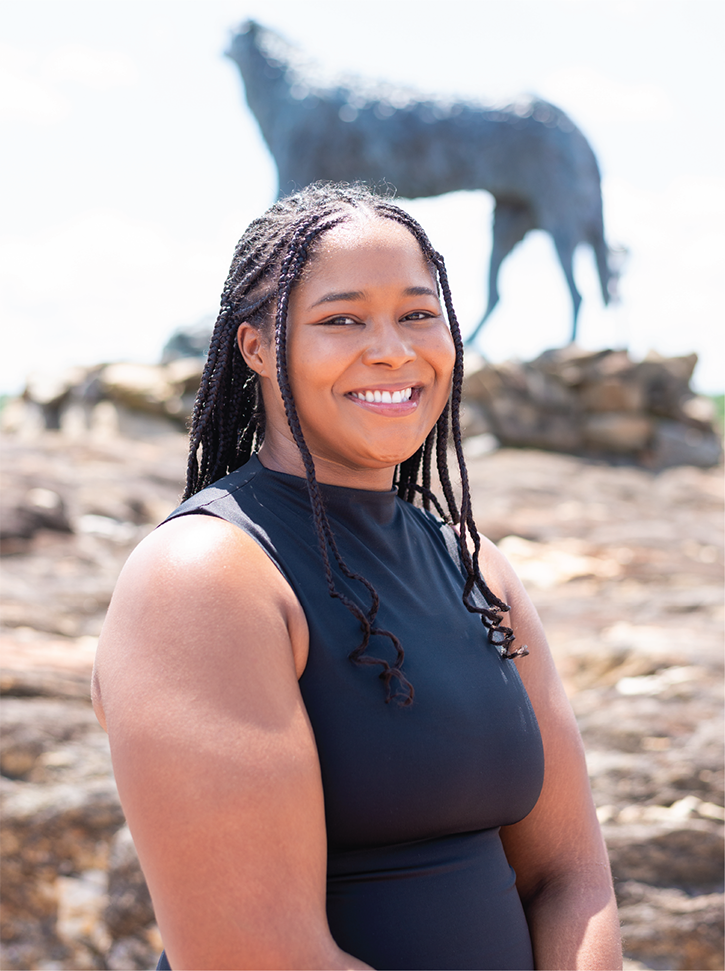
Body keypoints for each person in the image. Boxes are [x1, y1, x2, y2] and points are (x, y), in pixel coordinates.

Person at [92, 183, 622, 971]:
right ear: (257, 348)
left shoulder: (477, 571)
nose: (391, 350)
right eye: (342, 318)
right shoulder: (206, 576)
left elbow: (570, 880)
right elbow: (255, 955)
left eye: (418, 313)